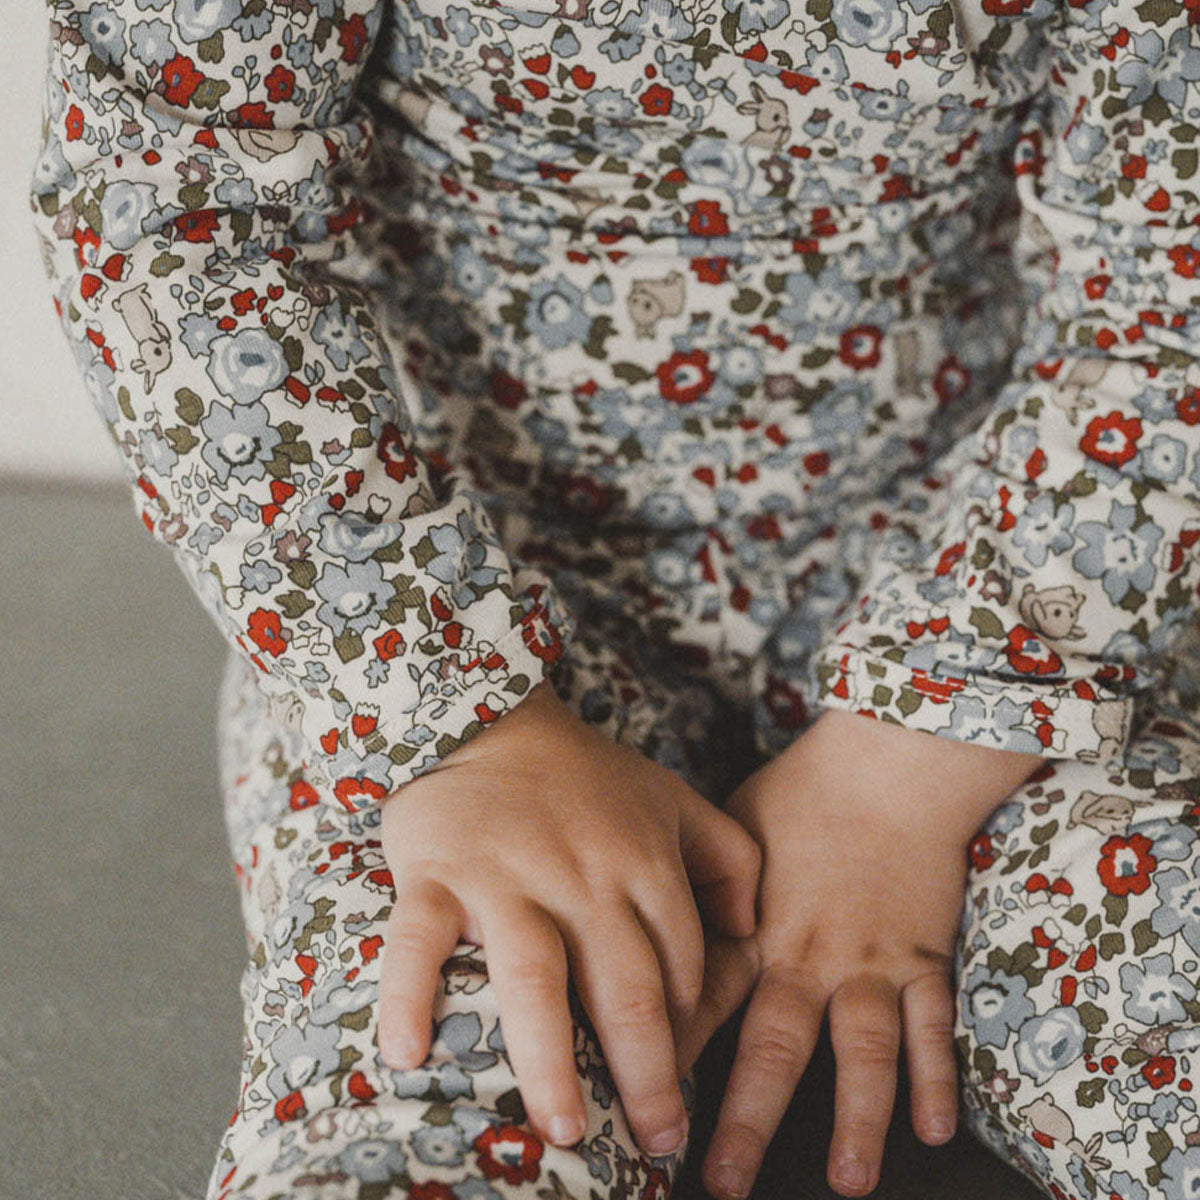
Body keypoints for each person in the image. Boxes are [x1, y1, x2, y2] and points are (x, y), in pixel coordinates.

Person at [28, 0, 1200, 1196]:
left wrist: (913, 762)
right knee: (435, 1084)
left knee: (1163, 974)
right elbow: (167, 213)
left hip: (1002, 607)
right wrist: (467, 724)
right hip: (465, 620)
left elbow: (1172, 272)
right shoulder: (458, 672)